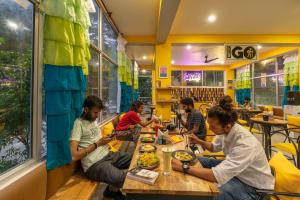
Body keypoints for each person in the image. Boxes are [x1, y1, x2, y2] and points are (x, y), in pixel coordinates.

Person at [171, 99, 274, 200]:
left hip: (254, 187)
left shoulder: (246, 144)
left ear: (227, 126)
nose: (209, 129)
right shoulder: (226, 130)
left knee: (216, 193)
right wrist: (199, 141)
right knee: (197, 160)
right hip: (239, 172)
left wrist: (184, 167)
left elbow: (216, 175)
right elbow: (213, 147)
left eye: (213, 126)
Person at [70, 95, 132, 200]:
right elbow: (74, 155)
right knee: (124, 178)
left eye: (98, 112)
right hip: (94, 164)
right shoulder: (78, 124)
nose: (97, 115)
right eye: (95, 112)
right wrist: (97, 144)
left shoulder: (93, 121)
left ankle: (111, 191)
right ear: (86, 109)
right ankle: (117, 192)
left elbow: (97, 140)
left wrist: (106, 139)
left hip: (107, 154)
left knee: (135, 159)